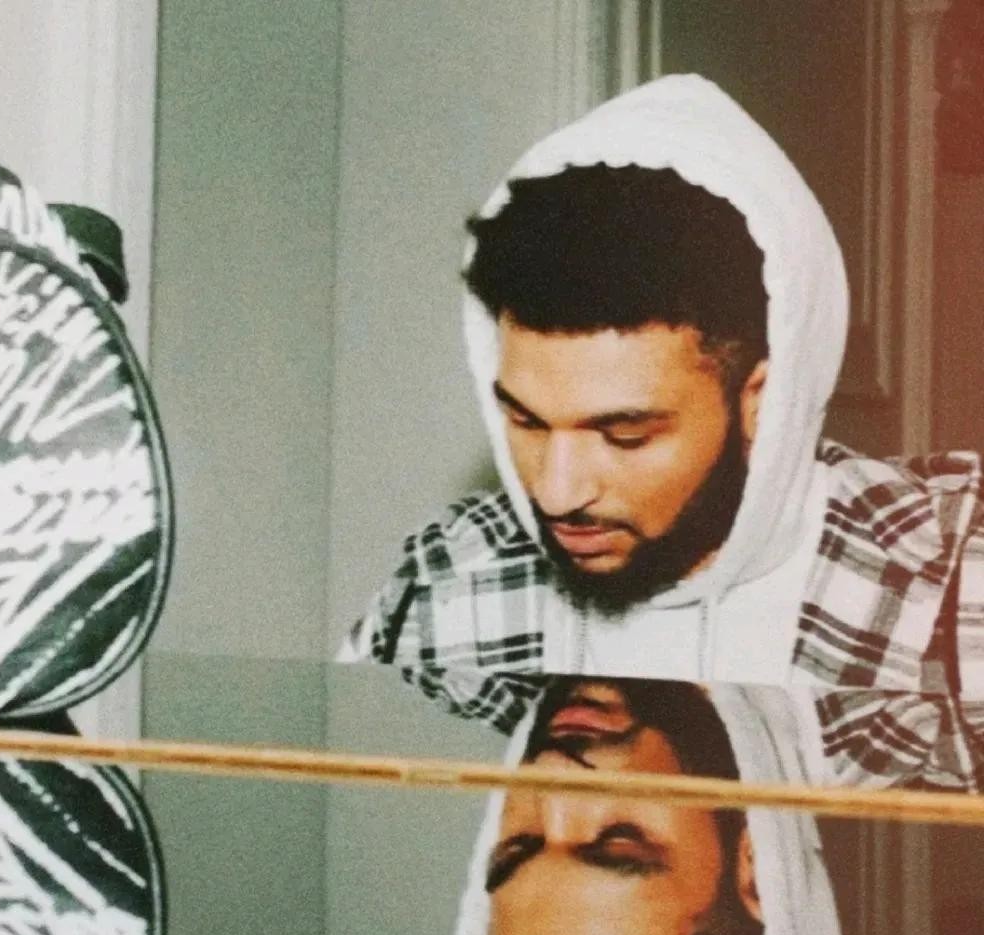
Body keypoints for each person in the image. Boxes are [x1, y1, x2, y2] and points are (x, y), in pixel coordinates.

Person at [340, 74, 984, 698]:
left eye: (625, 435)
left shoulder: (952, 581)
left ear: (762, 398)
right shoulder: (447, 587)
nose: (557, 493)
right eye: (526, 422)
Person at [450, 676, 841, 935]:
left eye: (518, 848)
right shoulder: (869, 710)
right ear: (758, 871)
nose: (551, 767)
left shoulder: (465, 668)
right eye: (619, 843)